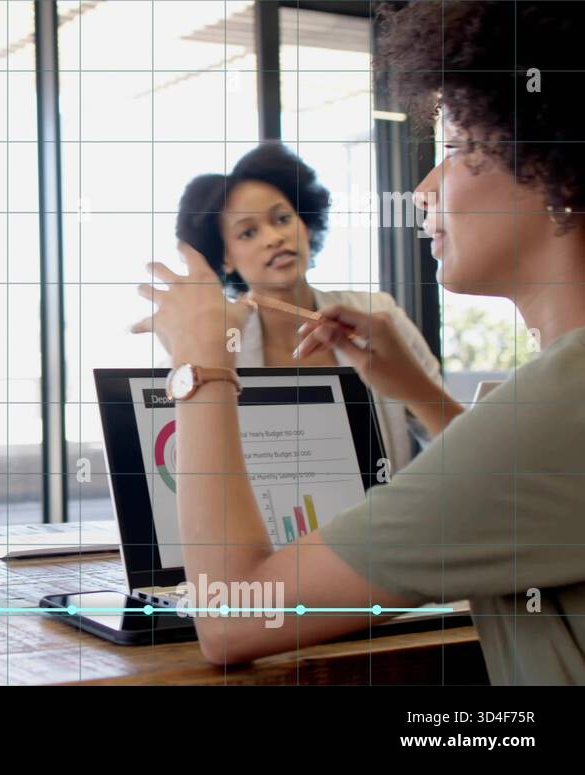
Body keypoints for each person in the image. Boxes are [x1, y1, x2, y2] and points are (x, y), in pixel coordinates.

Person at [131, 0, 585, 684]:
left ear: (557, 172)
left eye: (456, 149)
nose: (424, 188)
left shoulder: (561, 403)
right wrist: (420, 395)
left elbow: (229, 616)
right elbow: (515, 504)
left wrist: (198, 368)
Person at [174, 143, 446, 468]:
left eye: (283, 218)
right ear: (224, 257)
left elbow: (451, 438)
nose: (274, 238)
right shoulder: (215, 340)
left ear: (305, 222)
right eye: (248, 232)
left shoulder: (377, 315)